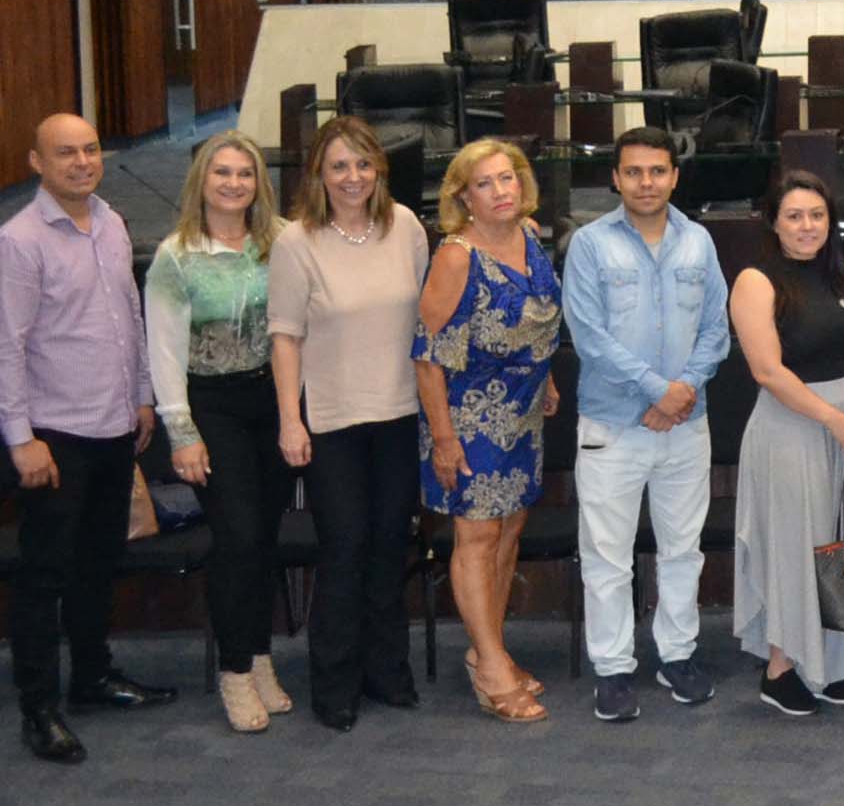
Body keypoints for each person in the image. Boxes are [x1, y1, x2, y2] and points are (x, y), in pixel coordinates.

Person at [4, 115, 169, 764]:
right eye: (65, 153)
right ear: (37, 162)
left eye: (90, 149)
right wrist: (21, 439)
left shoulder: (111, 221)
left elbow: (127, 316)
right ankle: (39, 709)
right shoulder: (18, 241)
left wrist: (141, 394)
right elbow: (6, 345)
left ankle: (93, 678)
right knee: (44, 577)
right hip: (54, 435)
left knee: (99, 564)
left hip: (113, 424)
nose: (81, 162)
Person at [559, 127, 733, 724]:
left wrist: (683, 392)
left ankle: (677, 655)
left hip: (687, 424)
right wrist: (661, 391)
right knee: (607, 554)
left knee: (682, 549)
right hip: (612, 425)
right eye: (633, 172)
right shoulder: (589, 244)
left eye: (657, 171)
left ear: (674, 176)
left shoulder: (699, 242)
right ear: (615, 178)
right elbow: (588, 337)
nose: (646, 182)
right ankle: (613, 669)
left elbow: (717, 328)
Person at [268, 115, 431, 730]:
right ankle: (334, 684)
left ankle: (386, 672)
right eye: (339, 165)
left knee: (390, 546)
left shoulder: (407, 228)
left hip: (399, 414)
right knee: (344, 548)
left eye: (363, 164)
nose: (353, 176)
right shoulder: (296, 242)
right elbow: (285, 338)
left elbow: (426, 317)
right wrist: (291, 419)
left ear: (379, 170)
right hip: (332, 420)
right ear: (319, 173)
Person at [147, 133, 297, 734]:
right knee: (235, 537)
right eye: (222, 173)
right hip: (212, 407)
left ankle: (260, 657)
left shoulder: (281, 242)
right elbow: (162, 353)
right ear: (201, 182)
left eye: (245, 174)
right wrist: (181, 434)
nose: (234, 184)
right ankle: (234, 672)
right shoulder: (176, 256)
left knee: (262, 537)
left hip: (273, 400)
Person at [728, 172, 844, 716]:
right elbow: (769, 372)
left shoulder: (843, 270)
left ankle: (833, 663)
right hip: (791, 429)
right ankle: (782, 668)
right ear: (774, 222)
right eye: (794, 216)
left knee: (842, 546)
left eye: (816, 215)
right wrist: (836, 421)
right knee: (796, 549)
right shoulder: (756, 281)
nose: (806, 226)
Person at [413, 137, 563, 724]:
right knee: (476, 538)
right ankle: (494, 668)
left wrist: (546, 379)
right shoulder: (456, 255)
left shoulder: (529, 236)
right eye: (485, 183)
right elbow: (427, 355)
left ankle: (488, 650)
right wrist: (445, 438)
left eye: (507, 179)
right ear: (463, 196)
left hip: (523, 415)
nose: (500, 191)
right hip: (467, 418)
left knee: (508, 533)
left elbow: (539, 318)